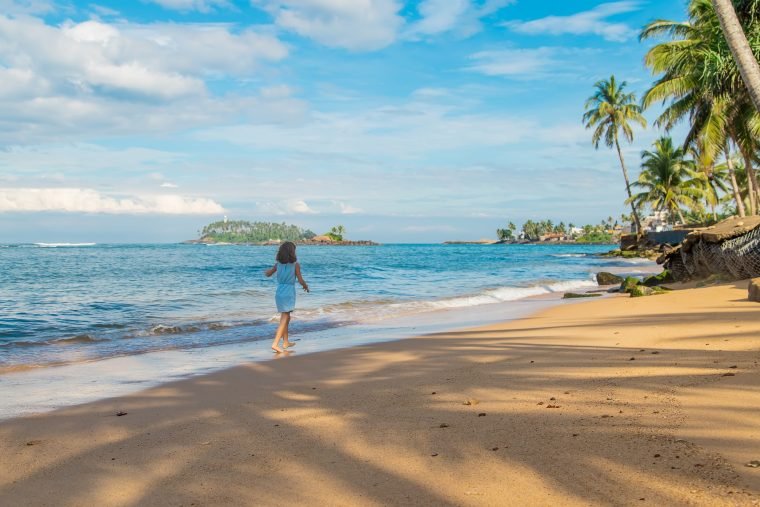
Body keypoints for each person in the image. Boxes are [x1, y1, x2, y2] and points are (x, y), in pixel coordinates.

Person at [265, 241, 309, 353]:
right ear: (292, 253)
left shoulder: (278, 265)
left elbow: (268, 273)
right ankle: (275, 344)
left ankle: (285, 341)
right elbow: (300, 280)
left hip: (279, 292)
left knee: (286, 317)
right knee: (284, 318)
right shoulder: (295, 265)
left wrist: (267, 272)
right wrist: (305, 286)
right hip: (288, 292)